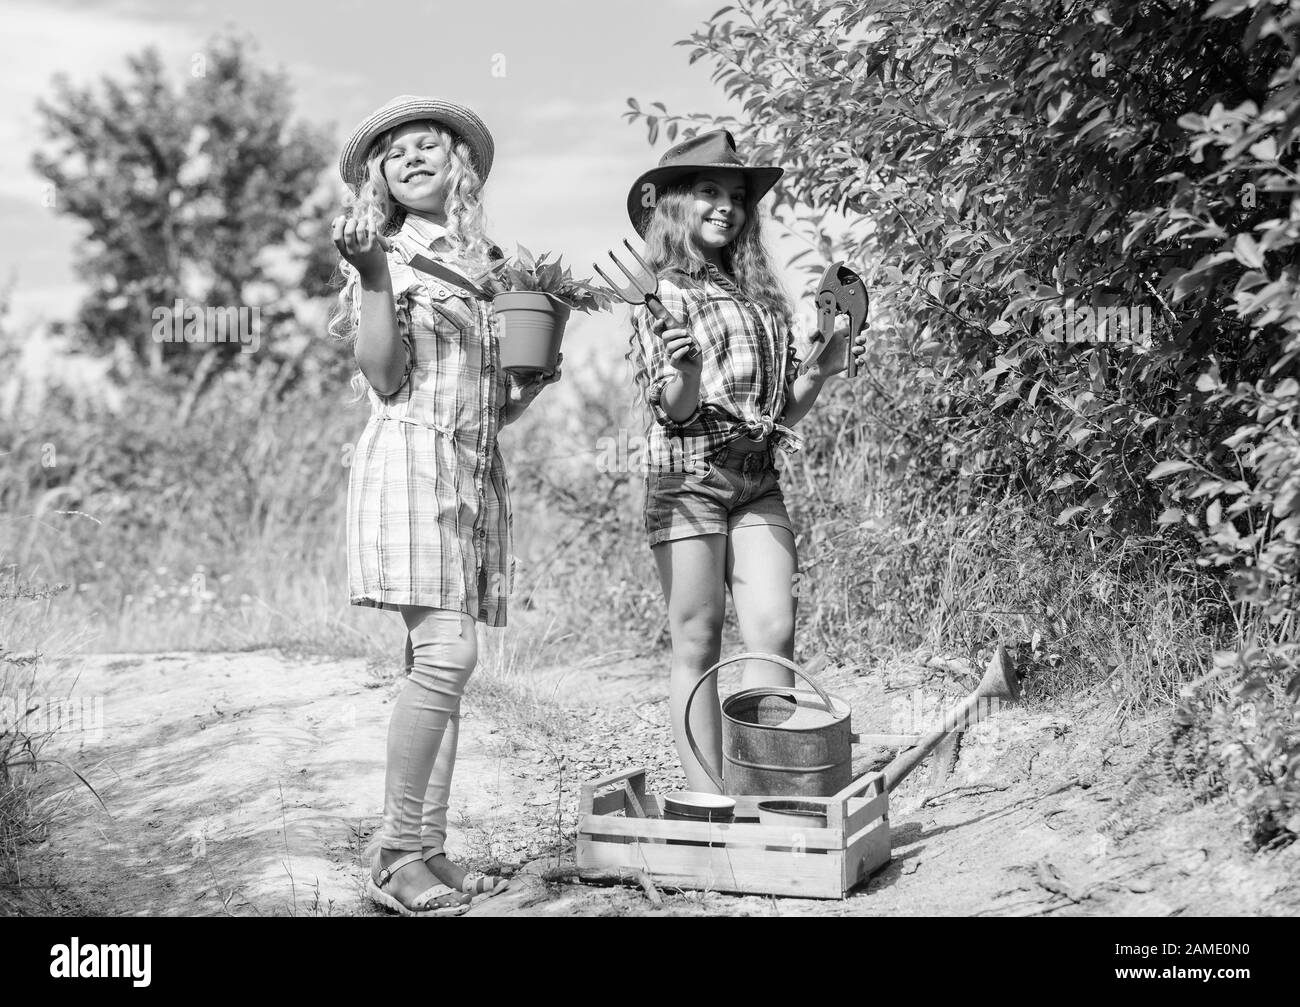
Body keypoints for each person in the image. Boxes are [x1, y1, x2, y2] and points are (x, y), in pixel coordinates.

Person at [330, 95, 556, 915]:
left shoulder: (486, 263)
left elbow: (484, 402)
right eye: (395, 154)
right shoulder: (384, 253)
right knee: (448, 655)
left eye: (429, 145)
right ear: (382, 181)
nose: (412, 158)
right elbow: (387, 378)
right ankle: (394, 854)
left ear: (457, 165)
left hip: (469, 468)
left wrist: (524, 387)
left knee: (446, 668)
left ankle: (429, 846)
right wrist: (373, 280)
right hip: (409, 461)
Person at [626, 129, 867, 793]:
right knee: (698, 639)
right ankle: (709, 796)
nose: (726, 206)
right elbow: (671, 410)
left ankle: (765, 789)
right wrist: (685, 371)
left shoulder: (764, 299)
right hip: (689, 476)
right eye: (709, 191)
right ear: (674, 204)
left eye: (736, 196)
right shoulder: (661, 293)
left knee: (772, 630)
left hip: (757, 475)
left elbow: (784, 410)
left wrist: (820, 369)